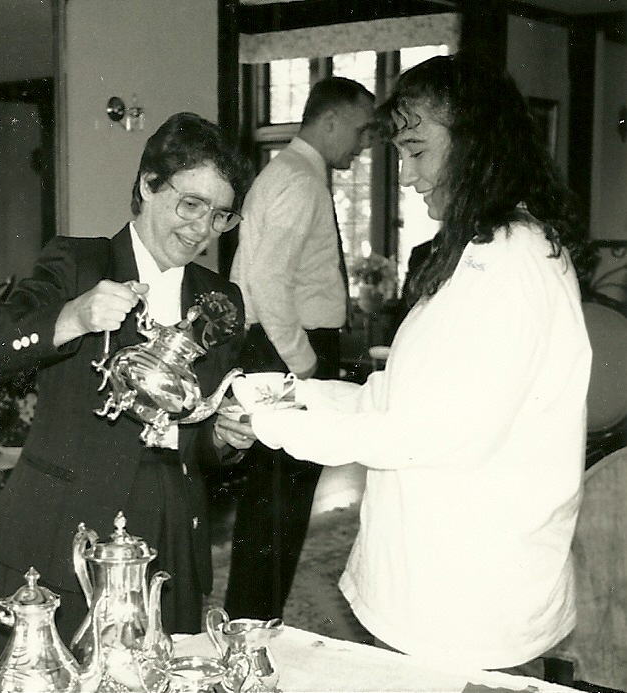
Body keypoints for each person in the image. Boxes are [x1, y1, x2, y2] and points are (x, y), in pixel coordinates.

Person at [220, 54, 591, 674]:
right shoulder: (483, 250)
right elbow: (404, 392)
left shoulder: (509, 264)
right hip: (439, 576)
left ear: (476, 144)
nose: (410, 177)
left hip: (470, 599)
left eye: (418, 151)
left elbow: (429, 431)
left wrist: (281, 422)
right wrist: (297, 395)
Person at [0, 112, 254, 672]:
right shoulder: (77, 262)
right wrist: (70, 318)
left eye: (220, 215)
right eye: (191, 204)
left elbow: (202, 443)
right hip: (66, 534)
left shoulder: (221, 298)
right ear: (147, 184)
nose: (202, 230)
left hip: (172, 538)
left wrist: (227, 436)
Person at [225, 77, 375, 620]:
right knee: (277, 508)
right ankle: (254, 628)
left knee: (278, 507)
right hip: (286, 353)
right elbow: (266, 281)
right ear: (330, 121)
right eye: (360, 130)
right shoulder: (297, 179)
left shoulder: (297, 174)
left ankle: (257, 622)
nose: (362, 145)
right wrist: (305, 365)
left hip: (283, 348)